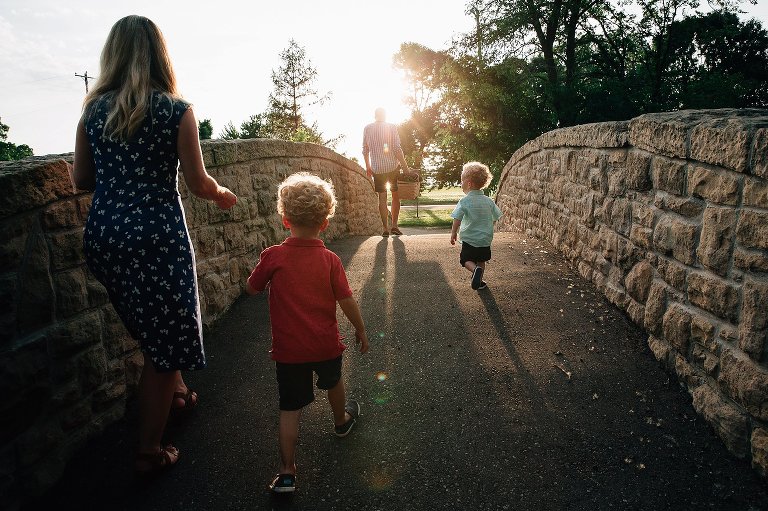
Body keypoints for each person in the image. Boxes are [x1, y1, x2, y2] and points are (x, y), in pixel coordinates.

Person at [70, 15, 237, 475]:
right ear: (160, 55)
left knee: (151, 326)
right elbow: (199, 183)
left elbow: (83, 178)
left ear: (113, 55)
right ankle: (148, 450)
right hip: (157, 237)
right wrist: (223, 194)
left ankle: (177, 393)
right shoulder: (176, 110)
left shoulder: (93, 111)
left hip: (105, 236)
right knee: (165, 341)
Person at [245, 172, 369, 494]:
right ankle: (340, 421)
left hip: (289, 351)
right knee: (335, 382)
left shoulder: (274, 257)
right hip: (326, 345)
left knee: (290, 408)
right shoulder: (330, 260)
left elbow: (251, 289)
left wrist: (260, 272)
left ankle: (287, 471)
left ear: (285, 220)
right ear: (325, 223)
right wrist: (361, 330)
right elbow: (347, 300)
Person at [450, 162, 503, 290]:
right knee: (481, 260)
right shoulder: (488, 201)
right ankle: (478, 280)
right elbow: (497, 216)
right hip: (485, 239)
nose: (460, 184)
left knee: (466, 259)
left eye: (462, 181)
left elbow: (457, 218)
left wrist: (453, 233)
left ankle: (474, 271)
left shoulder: (464, 201)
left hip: (470, 239)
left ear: (469, 183)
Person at [362, 107, 412, 237]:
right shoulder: (391, 127)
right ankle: (394, 226)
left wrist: (368, 166)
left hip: (377, 169)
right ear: (385, 115)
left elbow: (365, 150)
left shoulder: (367, 128)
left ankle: (385, 228)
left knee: (382, 198)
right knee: (395, 195)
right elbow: (397, 149)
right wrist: (406, 168)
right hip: (392, 167)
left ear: (375, 115)